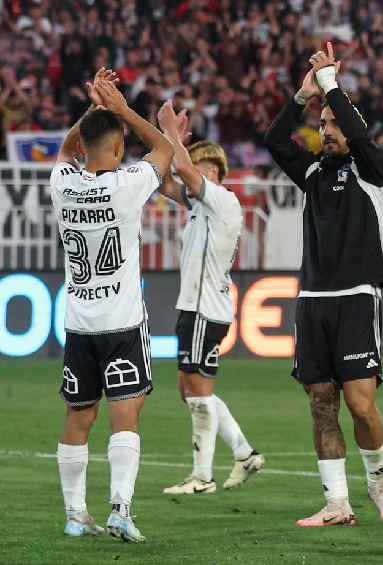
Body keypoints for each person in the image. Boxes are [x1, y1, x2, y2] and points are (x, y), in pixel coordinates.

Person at [264, 43, 383, 528]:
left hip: (357, 297)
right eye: (321, 126)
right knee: (322, 403)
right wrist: (303, 97)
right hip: (313, 300)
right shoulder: (315, 172)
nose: (324, 132)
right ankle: (337, 503)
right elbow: (275, 142)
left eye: (332, 125)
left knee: (362, 404)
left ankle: (380, 488)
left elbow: (361, 137)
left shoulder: (371, 171)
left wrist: (331, 87)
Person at [52, 68, 174, 542]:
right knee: (127, 415)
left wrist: (93, 110)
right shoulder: (126, 186)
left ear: (83, 146)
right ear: (120, 150)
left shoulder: (64, 183)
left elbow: (65, 151)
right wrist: (121, 108)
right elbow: (163, 150)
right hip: (122, 321)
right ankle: (120, 509)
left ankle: (74, 514)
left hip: (79, 323)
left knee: (79, 417)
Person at [154, 102, 265, 495]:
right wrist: (174, 145)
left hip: (205, 311)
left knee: (197, 395)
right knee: (190, 391)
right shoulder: (200, 207)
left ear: (216, 173)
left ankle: (202, 477)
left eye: (205, 168)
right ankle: (245, 453)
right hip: (195, 308)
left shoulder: (223, 201)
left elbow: (181, 173)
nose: (196, 173)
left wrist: (169, 132)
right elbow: (165, 181)